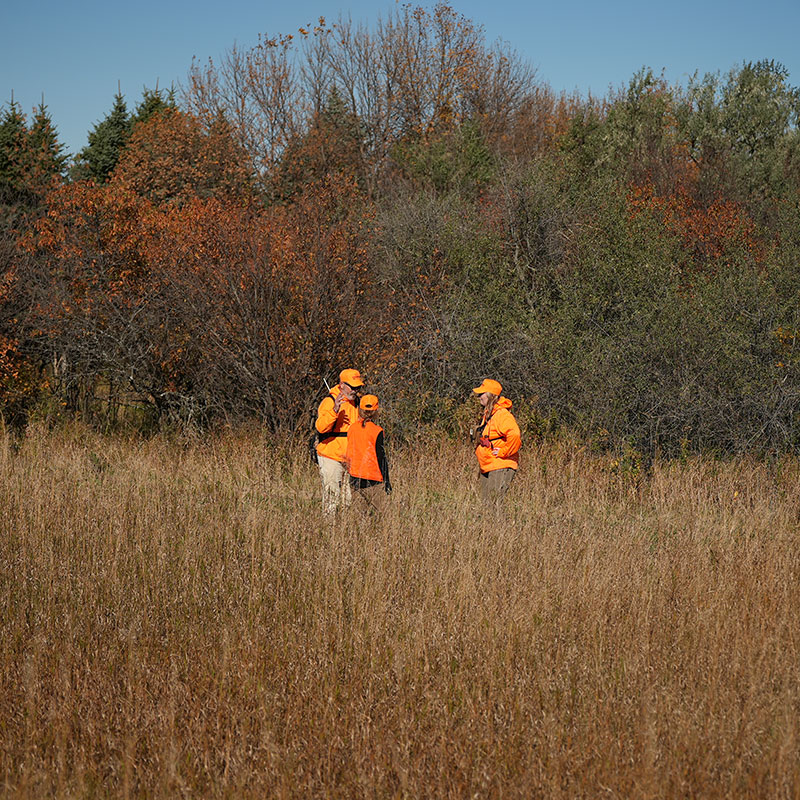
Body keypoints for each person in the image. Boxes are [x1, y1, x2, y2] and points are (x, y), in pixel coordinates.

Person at [315, 368, 364, 515]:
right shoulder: (329, 402)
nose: (355, 390)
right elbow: (321, 427)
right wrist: (335, 410)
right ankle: (329, 534)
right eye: (352, 386)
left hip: (351, 459)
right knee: (332, 500)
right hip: (331, 457)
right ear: (341, 384)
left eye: (358, 387)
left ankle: (342, 534)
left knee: (347, 501)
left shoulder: (359, 403)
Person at [472, 378, 521, 502]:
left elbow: (514, 435)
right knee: (487, 505)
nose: (479, 397)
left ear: (490, 395)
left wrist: (503, 452)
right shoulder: (489, 413)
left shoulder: (502, 414)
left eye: (481, 394)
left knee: (493, 506)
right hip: (488, 464)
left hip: (500, 464)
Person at [345, 394, 392, 514]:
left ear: (360, 410)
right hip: (373, 480)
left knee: (359, 518)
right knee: (383, 515)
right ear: (376, 411)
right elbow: (381, 457)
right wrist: (387, 481)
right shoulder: (377, 431)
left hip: (355, 478)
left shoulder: (352, 428)